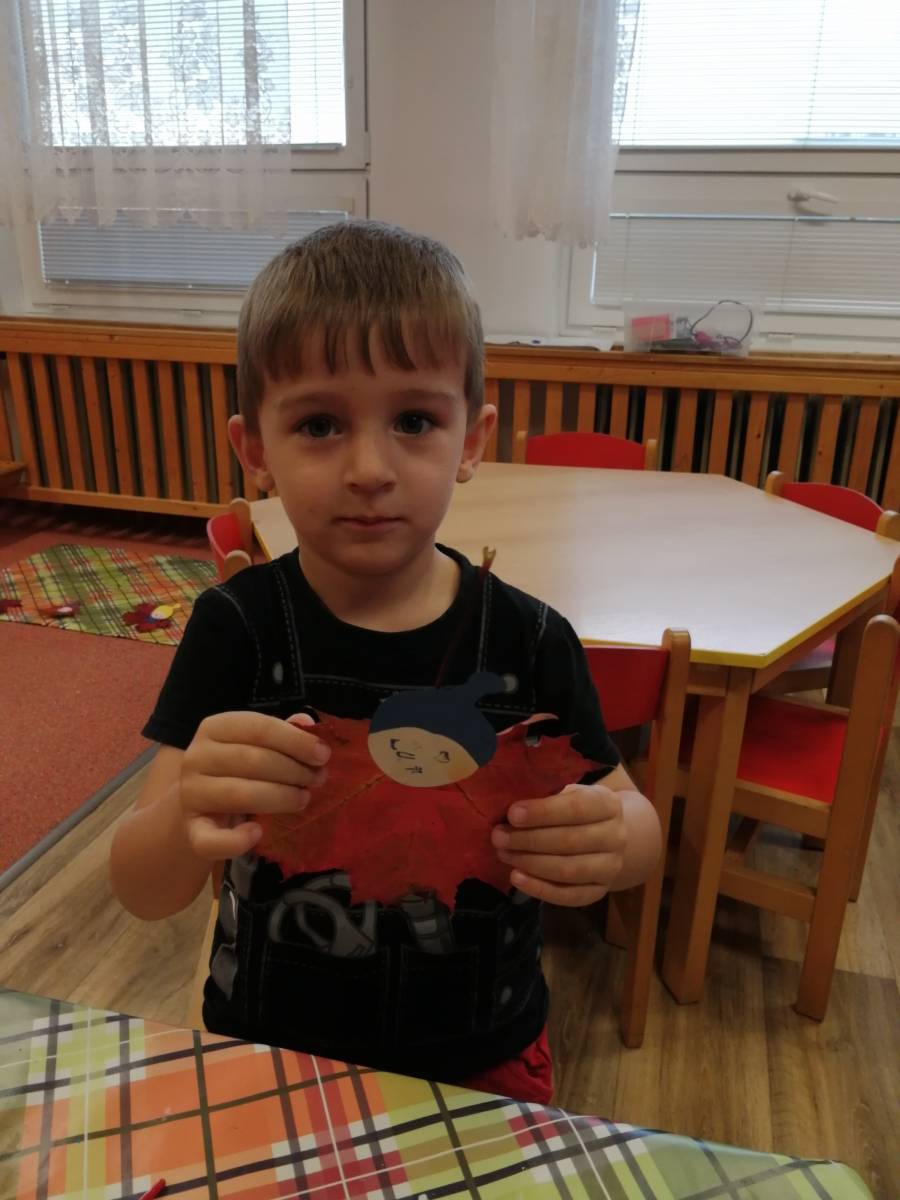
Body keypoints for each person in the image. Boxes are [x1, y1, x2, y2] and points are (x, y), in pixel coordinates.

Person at [109, 220, 661, 1105]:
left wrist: (614, 839)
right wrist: (184, 814)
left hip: (485, 1060)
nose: (370, 468)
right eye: (320, 424)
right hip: (272, 1057)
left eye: (413, 421)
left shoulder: (530, 639)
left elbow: (636, 821)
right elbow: (141, 888)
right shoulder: (237, 627)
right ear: (256, 451)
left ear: (471, 440)